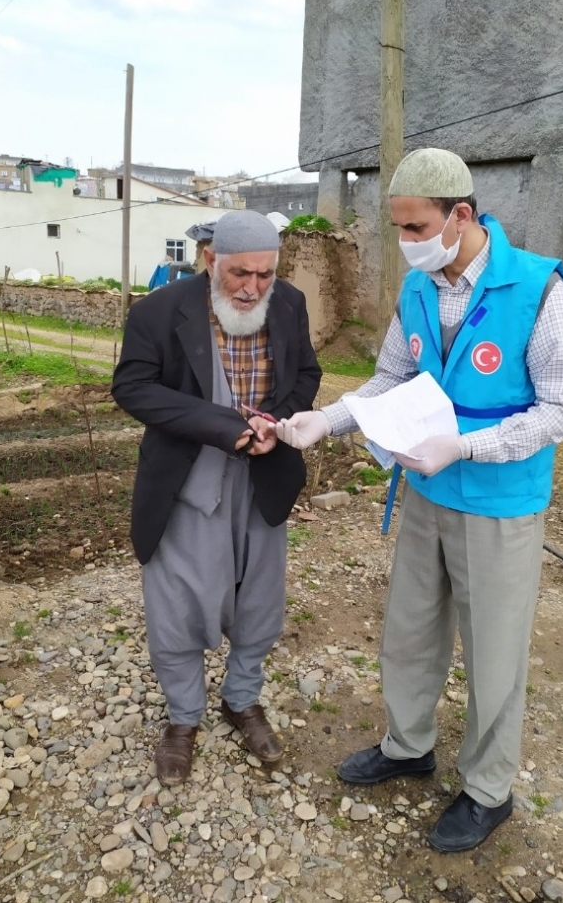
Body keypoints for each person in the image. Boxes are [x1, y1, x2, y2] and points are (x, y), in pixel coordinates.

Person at [275, 148, 563, 852]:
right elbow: (390, 377)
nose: (406, 243)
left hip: (500, 504)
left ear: (461, 215)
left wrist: (467, 446)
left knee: (495, 651)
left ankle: (486, 789)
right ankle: (408, 743)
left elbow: (561, 410)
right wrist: (325, 419)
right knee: (410, 629)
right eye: (400, 229)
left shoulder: (537, 288)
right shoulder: (417, 290)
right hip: (425, 492)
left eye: (416, 228)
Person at [112, 209, 321, 785]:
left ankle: (241, 698)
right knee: (177, 607)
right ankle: (183, 718)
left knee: (259, 603)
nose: (253, 287)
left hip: (264, 475)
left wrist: (273, 423)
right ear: (211, 262)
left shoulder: (289, 303)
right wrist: (222, 425)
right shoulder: (157, 311)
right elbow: (131, 387)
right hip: (187, 482)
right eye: (240, 274)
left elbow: (306, 372)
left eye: (265, 274)